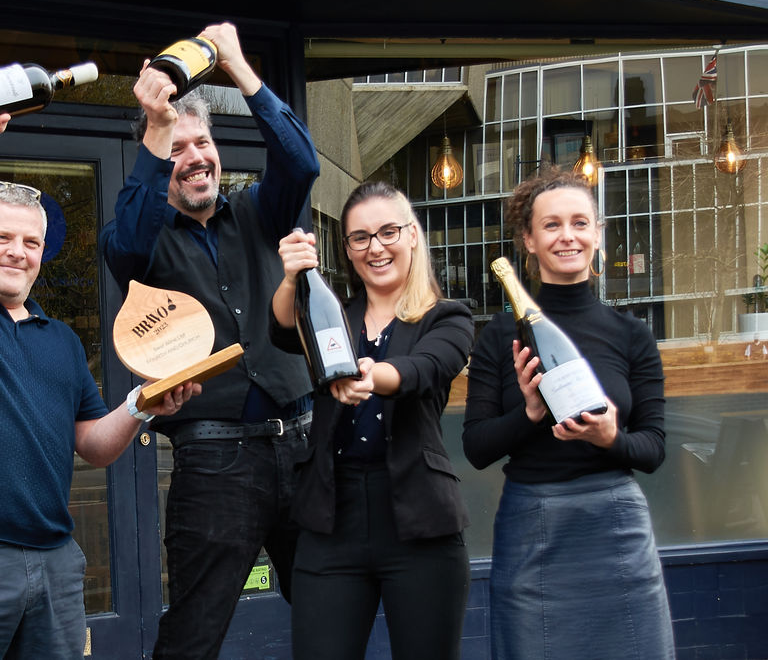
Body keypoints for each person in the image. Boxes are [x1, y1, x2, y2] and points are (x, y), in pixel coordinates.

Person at [0, 84, 198, 659]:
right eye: (1, 237)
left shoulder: (58, 340)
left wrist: (139, 405)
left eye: (31, 242)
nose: (17, 251)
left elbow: (94, 446)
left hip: (54, 563)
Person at [99, 22, 319, 659]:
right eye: (178, 149)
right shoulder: (139, 243)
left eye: (202, 143)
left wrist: (240, 68)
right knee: (193, 636)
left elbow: (301, 160)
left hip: (303, 450)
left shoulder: (260, 211)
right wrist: (156, 126)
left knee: (331, 610)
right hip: (215, 464)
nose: (193, 156)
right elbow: (132, 226)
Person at [462, 168, 675, 659]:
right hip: (532, 522)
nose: (568, 236)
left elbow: (654, 448)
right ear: (529, 240)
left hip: (615, 522)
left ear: (598, 234)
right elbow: (475, 448)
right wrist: (530, 413)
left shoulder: (632, 335)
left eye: (581, 223)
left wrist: (610, 439)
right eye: (552, 225)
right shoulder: (500, 334)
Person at [270, 182, 474, 660]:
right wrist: (291, 277)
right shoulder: (334, 312)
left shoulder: (448, 317)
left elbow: (425, 369)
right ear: (347, 249)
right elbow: (282, 333)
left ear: (413, 236)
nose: (375, 247)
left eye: (388, 232)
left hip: (420, 522)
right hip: (330, 519)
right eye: (359, 238)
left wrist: (374, 375)